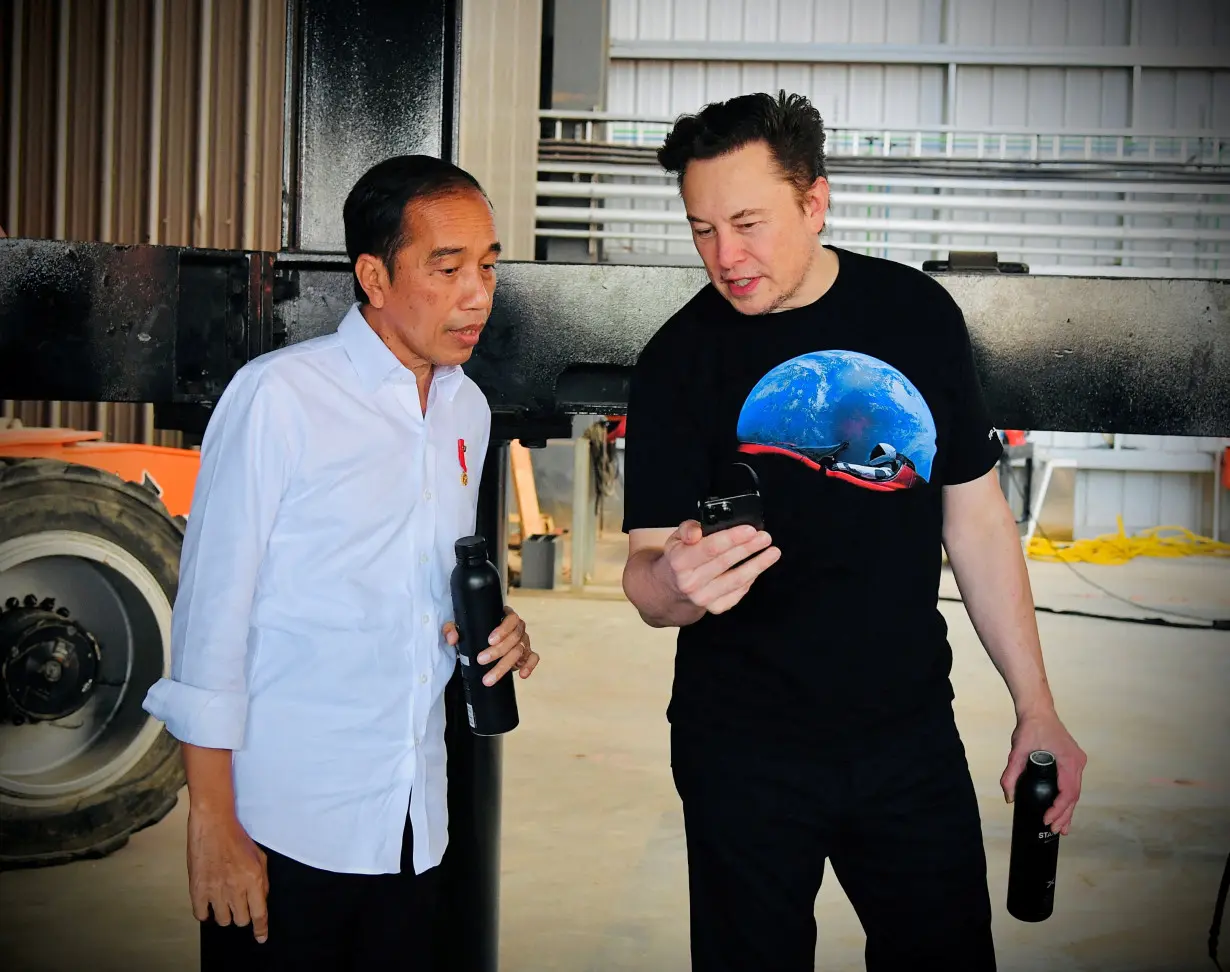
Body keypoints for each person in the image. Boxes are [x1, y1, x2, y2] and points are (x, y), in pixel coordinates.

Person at [619, 91, 1087, 972]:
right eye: (703, 229)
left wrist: (1038, 708)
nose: (727, 256)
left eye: (749, 222)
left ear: (815, 201)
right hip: (741, 751)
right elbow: (646, 570)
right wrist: (672, 587)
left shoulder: (915, 316)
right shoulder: (679, 359)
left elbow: (977, 520)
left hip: (906, 737)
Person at [143, 154, 540, 969]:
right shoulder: (280, 399)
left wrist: (497, 628)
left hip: (412, 821)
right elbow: (210, 619)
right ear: (374, 276)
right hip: (287, 822)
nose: (478, 295)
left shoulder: (465, 407)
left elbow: (426, 587)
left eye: (489, 267)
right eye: (448, 267)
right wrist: (213, 822)